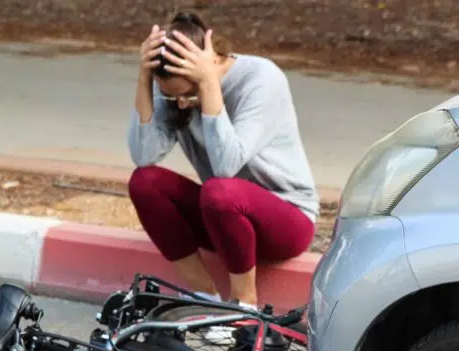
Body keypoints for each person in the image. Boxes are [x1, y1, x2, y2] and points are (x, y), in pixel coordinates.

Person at [126, 10, 319, 310]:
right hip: (222, 220)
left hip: (286, 220)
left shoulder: (261, 79)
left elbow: (227, 165)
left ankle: (244, 306)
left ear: (213, 58)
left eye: (185, 93)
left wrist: (207, 88)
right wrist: (144, 78)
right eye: (170, 95)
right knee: (144, 182)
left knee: (219, 190)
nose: (179, 103)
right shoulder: (172, 85)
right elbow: (144, 155)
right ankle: (205, 297)